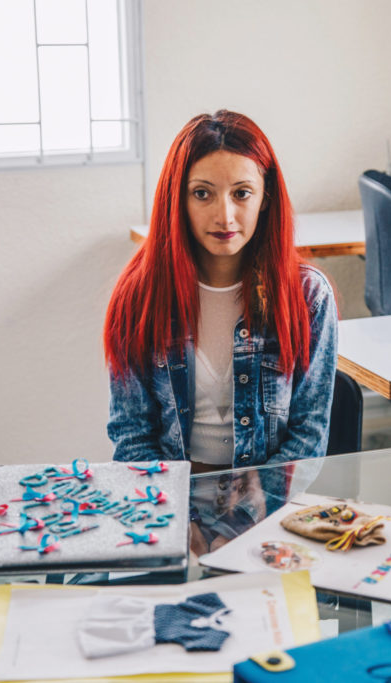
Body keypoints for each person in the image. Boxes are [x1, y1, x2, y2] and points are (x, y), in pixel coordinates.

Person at [104, 110, 338, 553]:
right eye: (202, 194)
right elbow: (131, 433)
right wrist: (172, 519)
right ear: (179, 198)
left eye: (242, 193)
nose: (224, 215)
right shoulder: (139, 296)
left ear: (265, 197)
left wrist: (248, 516)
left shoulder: (308, 295)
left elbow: (310, 430)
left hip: (268, 506)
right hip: (167, 503)